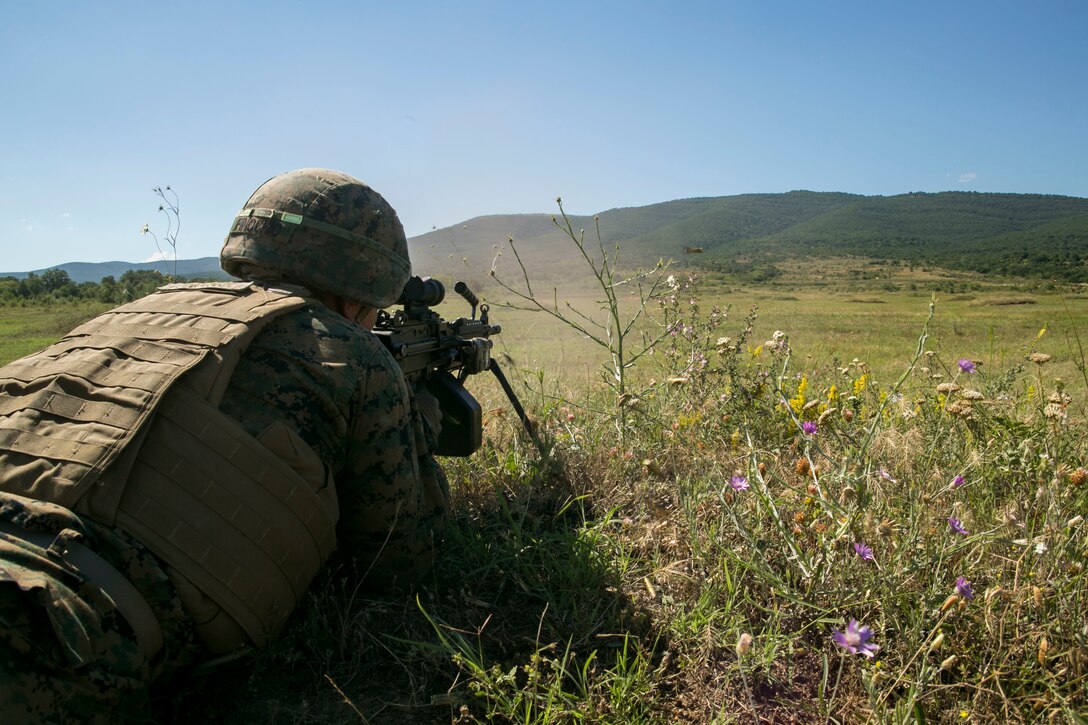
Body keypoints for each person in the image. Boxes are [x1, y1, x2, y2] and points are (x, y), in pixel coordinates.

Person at [0, 168, 448, 722]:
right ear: (360, 292)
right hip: (50, 608)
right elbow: (398, 563)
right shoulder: (354, 354)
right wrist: (416, 422)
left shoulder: (145, 309)